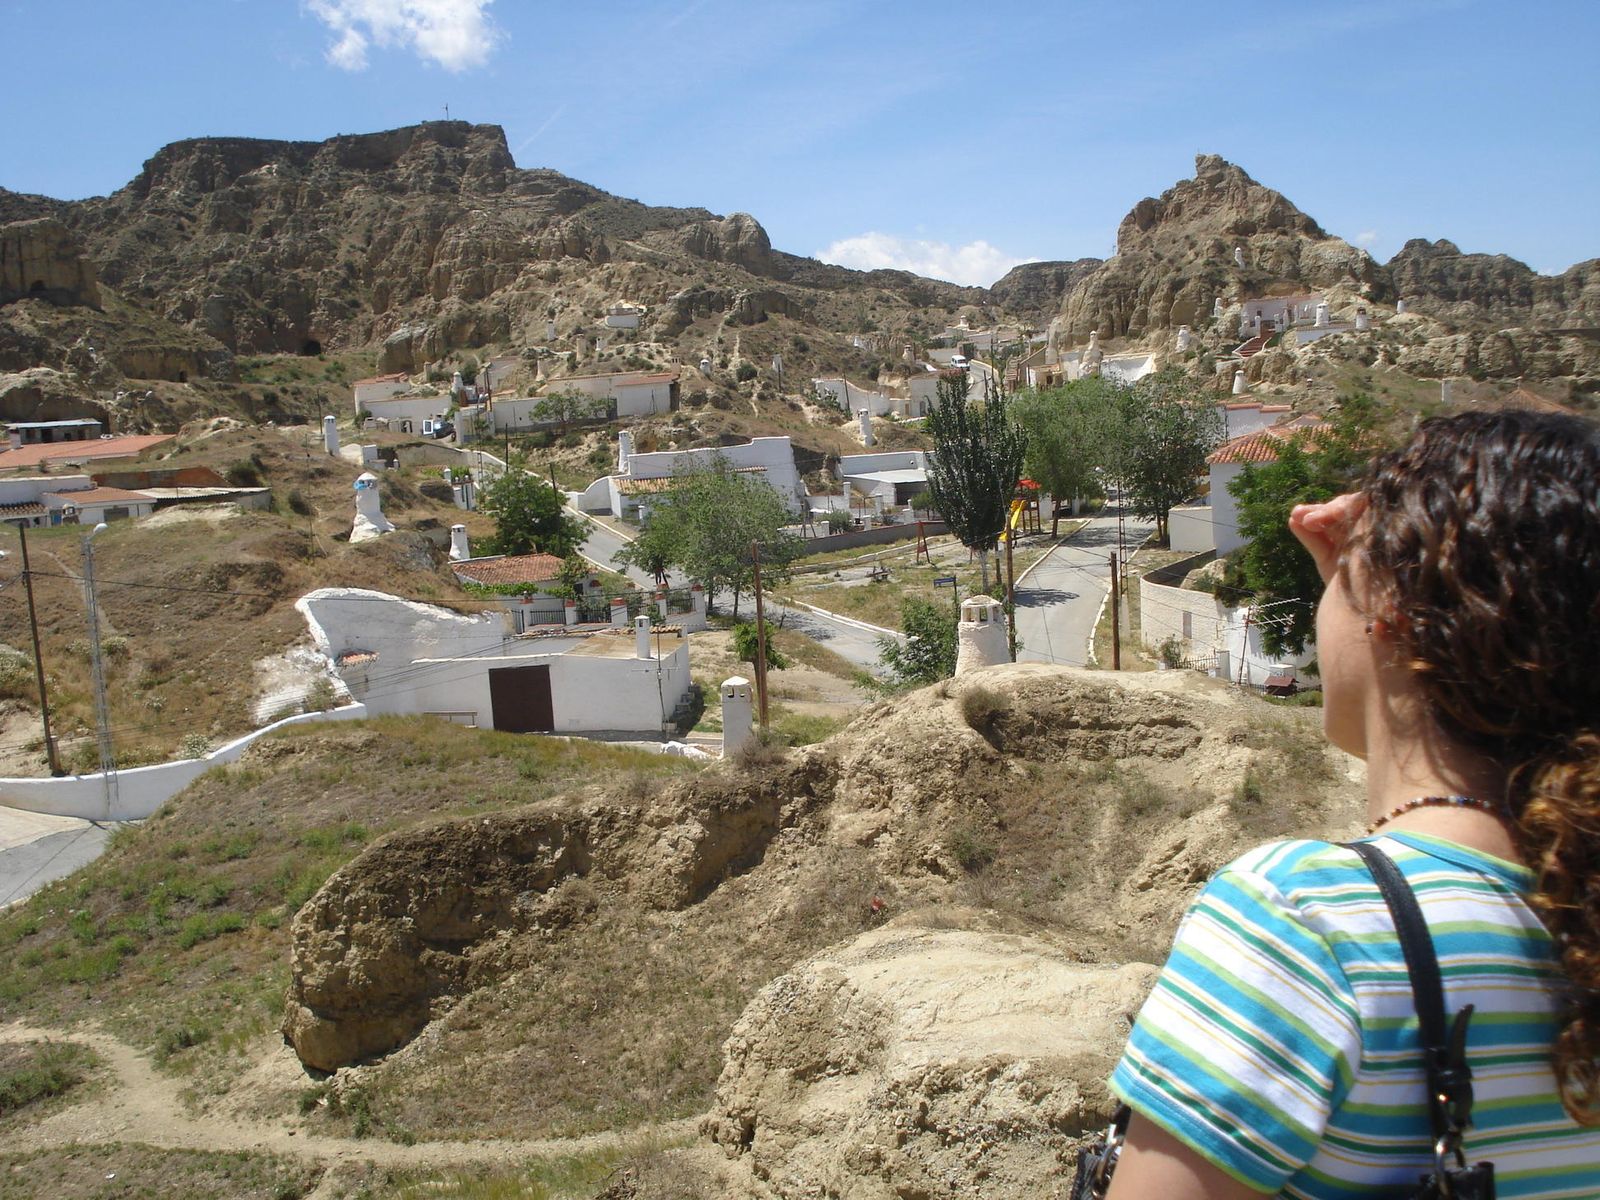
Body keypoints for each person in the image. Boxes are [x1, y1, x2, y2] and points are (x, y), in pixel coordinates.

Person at [1106, 408, 1600, 1198]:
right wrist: (1370, 587)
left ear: (1396, 613)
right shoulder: (1576, 906)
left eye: (1343, 579)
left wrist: (1363, 597)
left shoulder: (1307, 923)